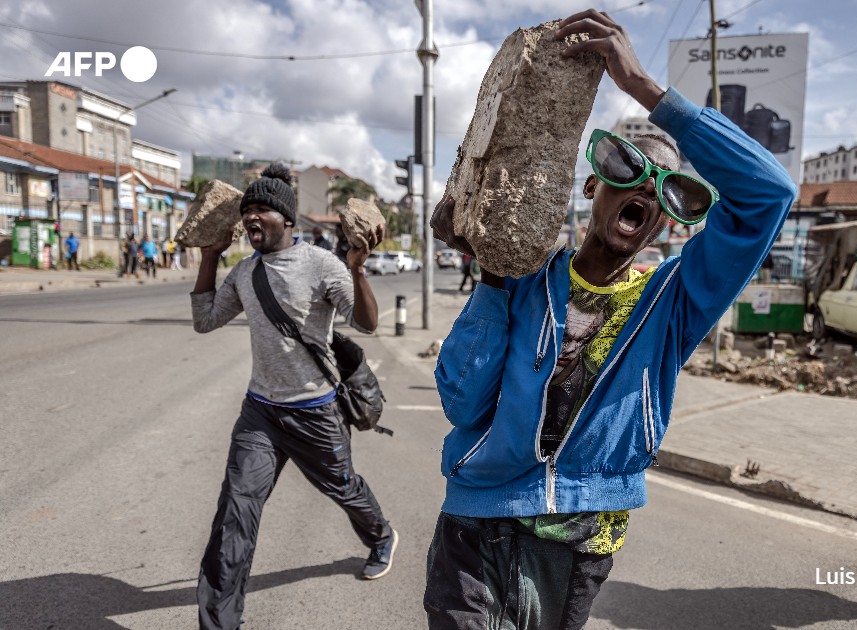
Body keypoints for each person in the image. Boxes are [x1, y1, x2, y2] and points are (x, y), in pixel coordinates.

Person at [424, 9, 796, 629]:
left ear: (671, 218)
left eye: (671, 190)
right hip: (477, 522)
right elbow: (462, 405)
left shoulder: (673, 303)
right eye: (628, 169)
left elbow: (769, 195)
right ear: (594, 185)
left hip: (580, 537)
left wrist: (649, 92)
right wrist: (492, 277)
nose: (646, 192)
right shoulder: (527, 280)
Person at [190, 163, 397, 630]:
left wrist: (357, 270)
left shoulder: (321, 264)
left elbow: (366, 323)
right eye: (247, 211)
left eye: (262, 209)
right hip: (260, 412)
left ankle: (381, 536)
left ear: (287, 219)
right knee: (233, 516)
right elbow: (205, 321)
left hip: (315, 411)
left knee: (344, 488)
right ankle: (220, 624)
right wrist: (209, 257)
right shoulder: (245, 272)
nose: (251, 218)